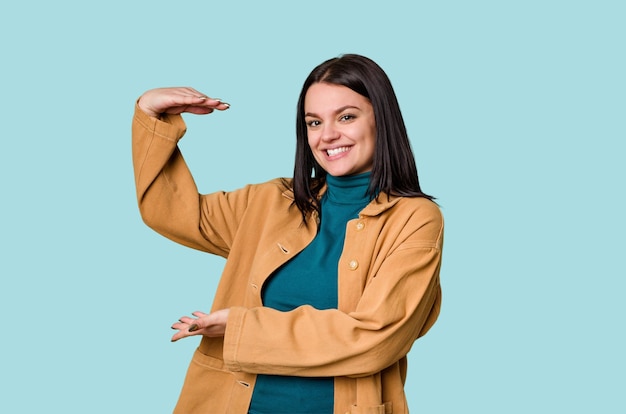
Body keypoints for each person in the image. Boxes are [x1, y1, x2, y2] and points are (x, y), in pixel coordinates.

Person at [132, 54, 443, 414]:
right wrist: (152, 115)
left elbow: (376, 337)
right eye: (314, 122)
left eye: (346, 116)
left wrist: (243, 327)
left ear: (381, 120)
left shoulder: (415, 219)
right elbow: (170, 211)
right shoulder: (269, 203)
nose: (327, 135)